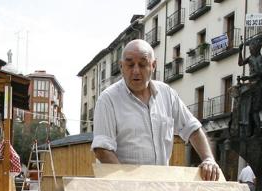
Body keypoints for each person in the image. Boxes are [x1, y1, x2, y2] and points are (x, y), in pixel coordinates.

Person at [92, 39, 221, 181]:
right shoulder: (108, 99)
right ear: (121, 66)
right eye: (129, 64)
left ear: (153, 65)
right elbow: (102, 149)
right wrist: (127, 183)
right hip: (122, 188)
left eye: (142, 64)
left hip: (160, 185)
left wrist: (209, 159)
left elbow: (193, 129)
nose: (135, 71)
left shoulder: (167, 94)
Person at [238, 37, 262, 136]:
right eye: (249, 48)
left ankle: (258, 131)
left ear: (257, 48)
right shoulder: (250, 58)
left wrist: (247, 77)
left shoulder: (261, 58)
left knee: (254, 110)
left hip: (258, 85)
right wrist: (239, 51)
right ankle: (253, 131)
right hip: (251, 86)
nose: (250, 49)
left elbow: (259, 72)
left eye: (251, 48)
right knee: (249, 110)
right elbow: (240, 63)